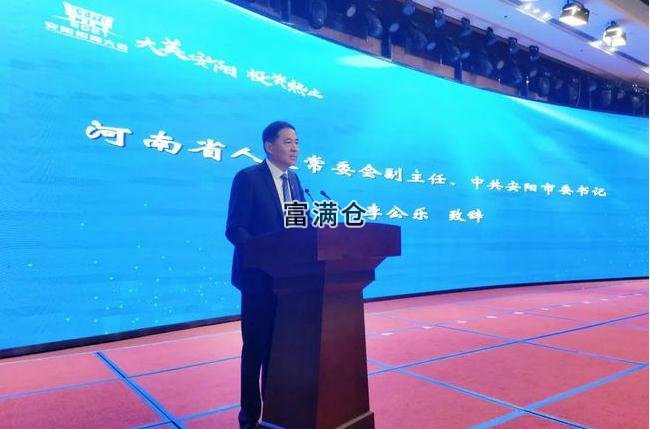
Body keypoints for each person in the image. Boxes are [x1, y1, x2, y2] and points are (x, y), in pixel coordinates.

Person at [225, 121, 306, 429]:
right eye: (287, 141)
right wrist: (265, 257)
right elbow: (235, 228)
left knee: (280, 351)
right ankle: (248, 420)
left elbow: (298, 227)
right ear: (269, 146)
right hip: (258, 280)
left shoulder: (295, 181)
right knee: (256, 350)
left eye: (297, 142)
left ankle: (274, 414)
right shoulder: (248, 178)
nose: (295, 148)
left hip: (289, 284)